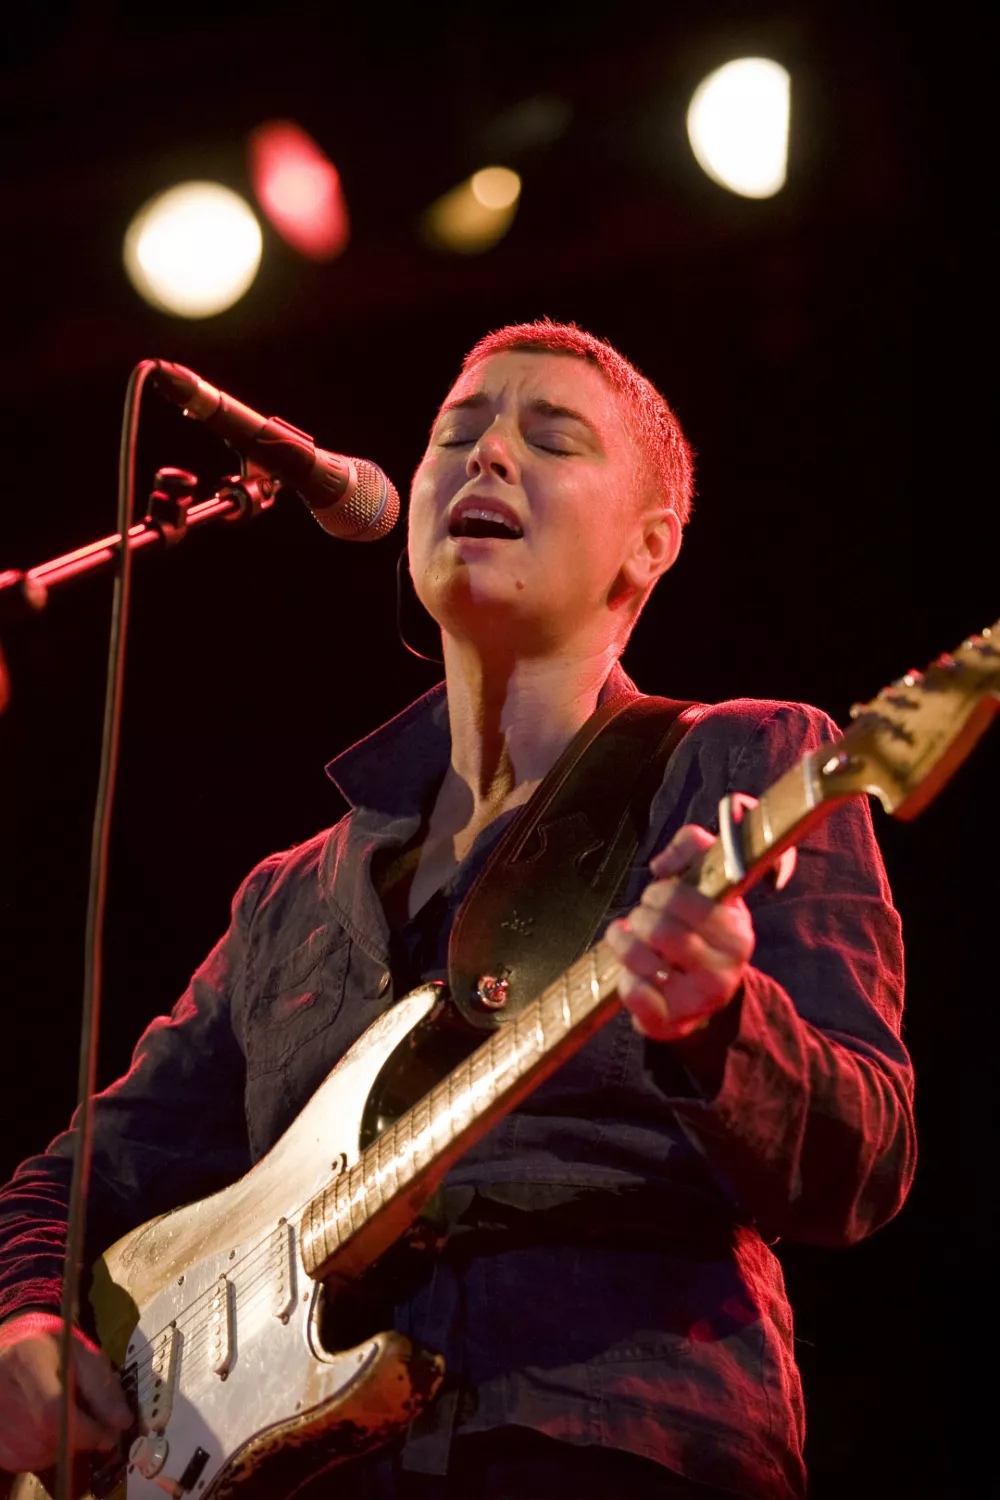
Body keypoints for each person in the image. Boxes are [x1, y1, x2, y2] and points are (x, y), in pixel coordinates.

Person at [0, 321, 915, 1498]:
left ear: (645, 548)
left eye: (551, 438)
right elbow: (74, 1181)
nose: (486, 458)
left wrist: (722, 1022)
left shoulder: (742, 763)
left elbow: (864, 1161)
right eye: (458, 433)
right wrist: (27, 1323)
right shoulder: (294, 893)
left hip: (603, 1442)